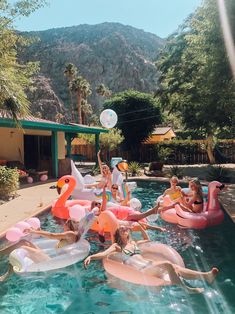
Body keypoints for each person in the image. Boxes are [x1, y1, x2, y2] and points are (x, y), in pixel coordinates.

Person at [84, 225, 219, 293]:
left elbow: (147, 240)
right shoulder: (117, 246)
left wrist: (142, 227)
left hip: (149, 264)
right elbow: (104, 254)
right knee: (167, 264)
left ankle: (205, 276)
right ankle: (187, 289)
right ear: (119, 234)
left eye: (126, 229)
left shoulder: (134, 243)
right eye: (122, 230)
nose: (125, 231)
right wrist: (91, 256)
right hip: (140, 268)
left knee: (176, 267)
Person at [0, 219, 81, 281]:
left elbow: (52, 235)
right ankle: (1, 254)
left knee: (22, 248)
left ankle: (8, 274)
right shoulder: (68, 235)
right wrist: (38, 231)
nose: (64, 224)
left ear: (68, 224)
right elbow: (52, 236)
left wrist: (34, 231)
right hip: (50, 259)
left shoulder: (70, 234)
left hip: (52, 264)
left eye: (65, 223)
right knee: (24, 242)